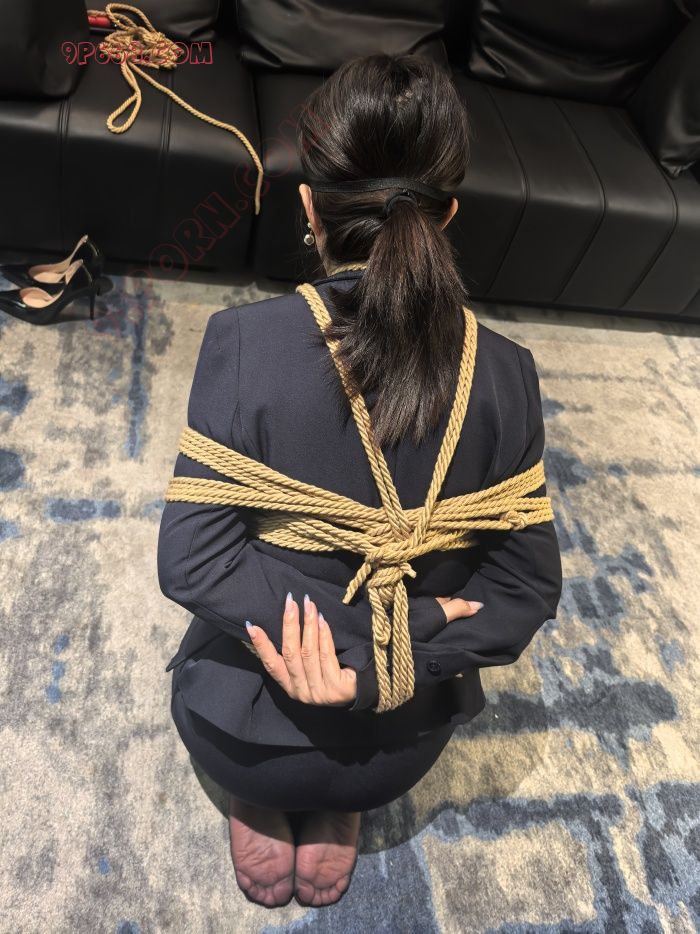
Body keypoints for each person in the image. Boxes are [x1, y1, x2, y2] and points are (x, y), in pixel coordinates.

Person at [157, 53, 563, 910]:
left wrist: (332, 651)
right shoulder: (508, 374)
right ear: (447, 214)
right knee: (356, 770)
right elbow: (526, 589)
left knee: (235, 705)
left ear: (308, 206)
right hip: (398, 740)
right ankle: (338, 801)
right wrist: (390, 654)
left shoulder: (244, 344)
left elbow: (192, 563)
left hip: (246, 727)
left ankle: (258, 797)